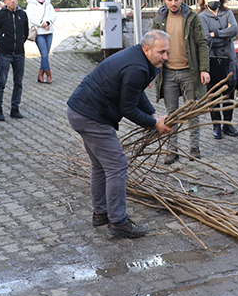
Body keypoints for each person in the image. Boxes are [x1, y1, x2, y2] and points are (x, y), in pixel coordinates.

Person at [67, 30, 173, 239]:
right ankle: (118, 222)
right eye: (162, 52)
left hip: (80, 111)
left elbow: (137, 92)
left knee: (101, 165)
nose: (165, 57)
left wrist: (152, 113)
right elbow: (128, 108)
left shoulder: (139, 59)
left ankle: (101, 213)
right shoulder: (136, 67)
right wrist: (154, 124)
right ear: (146, 49)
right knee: (117, 165)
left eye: (167, 52)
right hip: (91, 116)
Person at [151, 0, 210, 163]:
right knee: (171, 114)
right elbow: (152, 49)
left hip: (189, 73)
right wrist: (149, 74)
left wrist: (204, 69)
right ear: (165, 0)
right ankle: (172, 151)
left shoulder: (192, 18)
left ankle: (194, 148)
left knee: (192, 112)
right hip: (167, 74)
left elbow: (202, 43)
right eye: (170, 0)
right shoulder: (159, 20)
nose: (173, 3)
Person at [197, 0, 238, 140]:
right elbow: (205, 38)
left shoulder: (228, 13)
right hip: (212, 60)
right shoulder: (202, 17)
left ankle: (227, 124)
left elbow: (234, 29)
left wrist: (216, 34)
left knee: (229, 92)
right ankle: (216, 125)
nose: (214, 1)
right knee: (214, 94)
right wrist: (225, 35)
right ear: (204, 1)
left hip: (229, 59)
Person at [0, 0, 29, 121]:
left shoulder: (22, 15)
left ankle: (15, 108)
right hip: (4, 54)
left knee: (18, 83)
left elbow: (26, 33)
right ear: (5, 1)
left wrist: (18, 44)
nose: (12, 1)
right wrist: (2, 46)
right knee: (1, 82)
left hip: (19, 53)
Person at [26, 0, 56, 84]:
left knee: (46, 55)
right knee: (44, 54)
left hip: (49, 32)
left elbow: (53, 15)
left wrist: (48, 22)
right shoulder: (31, 5)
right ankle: (48, 74)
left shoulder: (48, 4)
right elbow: (31, 17)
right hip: (39, 33)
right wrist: (42, 23)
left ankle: (40, 75)